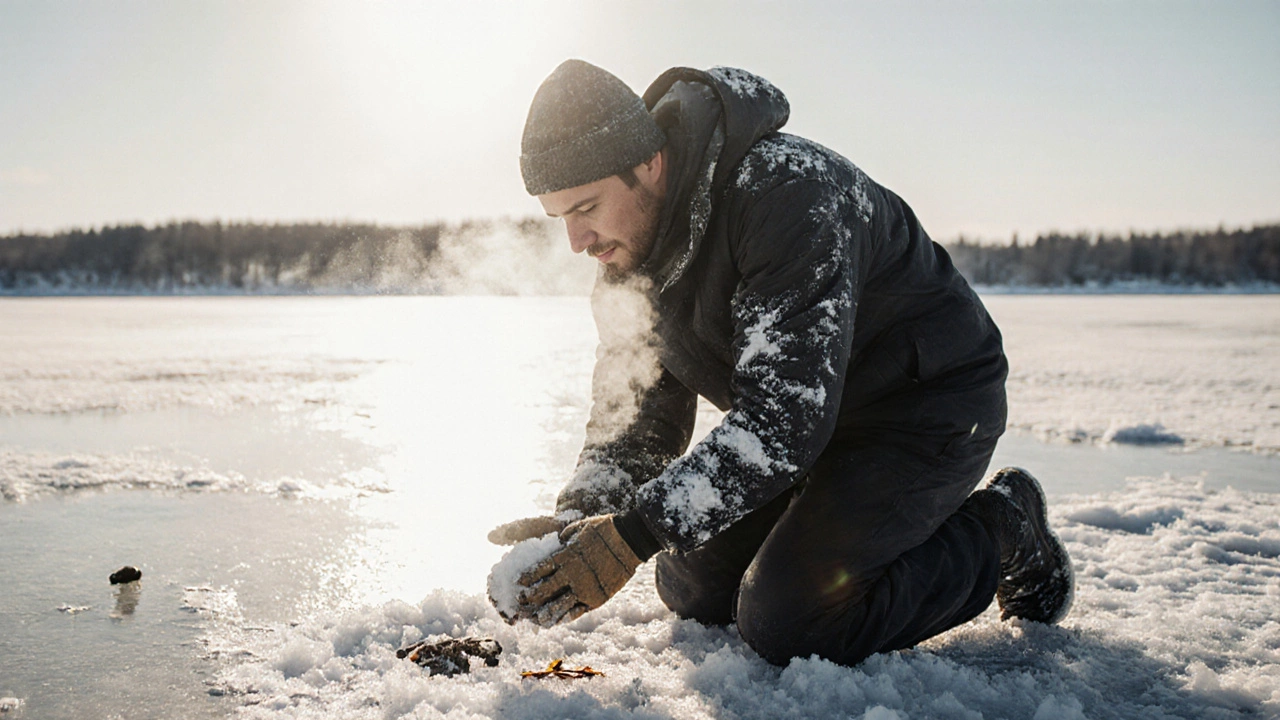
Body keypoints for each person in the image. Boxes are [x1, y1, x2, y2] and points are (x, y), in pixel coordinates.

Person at [488, 60, 1073, 667]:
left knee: (793, 621)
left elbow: (784, 419)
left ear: (648, 164)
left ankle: (1002, 526)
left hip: (924, 406)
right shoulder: (624, 267)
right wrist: (582, 522)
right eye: (561, 218)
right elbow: (638, 421)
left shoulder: (787, 194)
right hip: (816, 429)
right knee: (690, 588)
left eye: (586, 207)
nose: (577, 242)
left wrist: (631, 535)